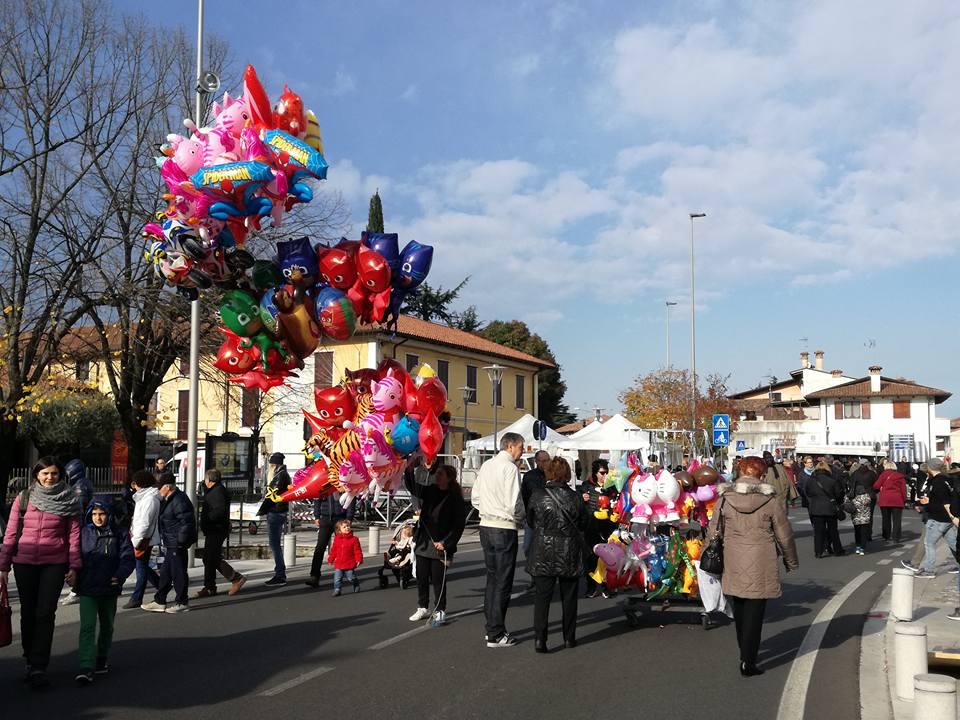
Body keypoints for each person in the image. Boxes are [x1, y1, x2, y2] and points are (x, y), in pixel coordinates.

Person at [707, 456, 798, 676]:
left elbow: (713, 530)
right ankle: (749, 660)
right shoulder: (770, 500)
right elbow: (784, 534)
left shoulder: (725, 498)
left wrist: (708, 554)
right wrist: (790, 560)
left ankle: (744, 651)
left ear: (740, 472)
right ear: (761, 474)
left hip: (733, 555)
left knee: (739, 605)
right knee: (755, 611)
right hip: (762, 557)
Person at [0, 457, 82, 689]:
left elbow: (73, 538)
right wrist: (3, 567)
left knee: (45, 613)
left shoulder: (70, 500)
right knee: (28, 613)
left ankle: (39, 665)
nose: (49, 477)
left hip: (53, 563)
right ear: (36, 475)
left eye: (54, 473)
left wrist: (74, 567)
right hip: (24, 563)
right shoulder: (24, 498)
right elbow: (10, 534)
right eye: (45, 473)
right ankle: (29, 657)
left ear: (60, 475)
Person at [526, 456, 588, 653]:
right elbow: (584, 523)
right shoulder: (575, 497)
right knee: (569, 598)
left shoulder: (538, 495)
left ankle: (540, 640)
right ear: (567, 474)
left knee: (542, 599)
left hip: (543, 549)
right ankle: (569, 637)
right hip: (568, 550)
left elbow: (529, 520)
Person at [472, 432, 526, 648]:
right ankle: (496, 631)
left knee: (492, 579)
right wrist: (520, 520)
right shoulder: (510, 468)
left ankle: (491, 627)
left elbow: (475, 496)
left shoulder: (486, 466)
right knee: (503, 582)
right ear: (511, 446)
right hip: (504, 527)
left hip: (486, 525)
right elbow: (515, 501)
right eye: (521, 447)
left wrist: (487, 509)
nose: (522, 451)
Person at [74, 498, 134, 685]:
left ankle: (102, 658)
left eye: (102, 514)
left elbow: (127, 558)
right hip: (88, 587)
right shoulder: (83, 533)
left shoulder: (120, 534)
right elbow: (74, 555)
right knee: (87, 627)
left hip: (109, 586)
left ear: (109, 514)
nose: (98, 518)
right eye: (94, 514)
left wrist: (120, 575)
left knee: (107, 625)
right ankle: (86, 665)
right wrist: (72, 572)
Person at [406, 463, 466, 626]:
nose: (437, 476)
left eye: (440, 474)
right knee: (421, 577)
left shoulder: (455, 498)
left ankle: (440, 609)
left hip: (441, 543)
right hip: (424, 540)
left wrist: (446, 543)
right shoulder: (431, 489)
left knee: (438, 580)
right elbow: (414, 487)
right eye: (437, 473)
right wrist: (408, 470)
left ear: (449, 478)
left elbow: (458, 525)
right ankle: (422, 606)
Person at [141, 474, 196, 613]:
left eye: (160, 488)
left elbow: (187, 522)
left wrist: (180, 541)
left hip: (176, 542)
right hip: (171, 541)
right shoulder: (168, 499)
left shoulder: (179, 499)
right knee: (166, 572)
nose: (159, 491)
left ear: (168, 486)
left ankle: (182, 601)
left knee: (178, 572)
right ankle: (160, 600)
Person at [197, 469, 245, 598]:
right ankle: (209, 586)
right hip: (213, 529)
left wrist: (207, 518)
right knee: (208, 558)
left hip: (216, 529)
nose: (204, 481)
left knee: (212, 557)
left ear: (210, 480)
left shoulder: (218, 492)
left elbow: (219, 511)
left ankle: (235, 578)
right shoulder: (214, 490)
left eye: (205, 479)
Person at [913, 458, 959, 578]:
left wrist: (927, 505)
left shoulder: (938, 482)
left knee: (929, 543)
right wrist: (929, 500)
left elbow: (945, 502)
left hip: (939, 518)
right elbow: (943, 498)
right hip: (946, 519)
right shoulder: (946, 479)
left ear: (930, 467)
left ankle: (929, 570)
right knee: (953, 543)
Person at [578, 459, 616, 598]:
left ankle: (607, 586)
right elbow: (577, 504)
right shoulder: (585, 486)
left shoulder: (612, 487)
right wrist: (581, 498)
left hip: (608, 527)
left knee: (608, 558)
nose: (604, 475)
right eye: (602, 473)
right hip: (591, 527)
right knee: (591, 558)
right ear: (595, 473)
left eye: (607, 472)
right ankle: (591, 586)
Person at [305, 481, 354, 589]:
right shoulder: (323, 480)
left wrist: (349, 517)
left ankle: (348, 572)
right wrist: (317, 515)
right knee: (319, 548)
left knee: (345, 547)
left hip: (341, 518)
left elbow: (350, 496)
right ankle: (314, 576)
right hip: (325, 518)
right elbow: (317, 497)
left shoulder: (342, 478)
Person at [60, 459, 94, 607]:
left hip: (79, 528)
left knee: (77, 559)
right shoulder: (81, 484)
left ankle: (76, 590)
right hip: (80, 528)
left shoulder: (80, 487)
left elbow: (78, 511)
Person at [125, 470, 161, 609]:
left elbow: (145, 523)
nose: (133, 486)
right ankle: (160, 585)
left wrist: (136, 540)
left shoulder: (149, 499)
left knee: (141, 567)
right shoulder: (146, 497)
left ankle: (136, 598)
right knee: (142, 566)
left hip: (144, 539)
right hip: (142, 537)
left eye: (135, 483)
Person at [257, 452, 291, 587]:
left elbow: (272, 495)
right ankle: (280, 573)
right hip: (279, 511)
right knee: (275, 544)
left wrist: (262, 509)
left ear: (273, 464)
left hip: (275, 511)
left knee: (275, 544)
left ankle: (280, 574)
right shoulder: (283, 474)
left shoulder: (279, 475)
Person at [521, 450, 550, 590]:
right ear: (537, 461)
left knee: (546, 550)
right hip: (532, 518)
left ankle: (543, 578)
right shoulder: (530, 476)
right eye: (543, 461)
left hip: (549, 519)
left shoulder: (553, 474)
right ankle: (534, 575)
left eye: (547, 460)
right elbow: (531, 494)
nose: (545, 463)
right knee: (528, 548)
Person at [804, 460, 845, 558]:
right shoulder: (832, 480)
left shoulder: (811, 480)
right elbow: (839, 494)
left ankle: (818, 551)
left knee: (818, 532)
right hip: (830, 508)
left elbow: (808, 492)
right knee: (833, 531)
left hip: (816, 508)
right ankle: (837, 550)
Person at [847, 461, 877, 555]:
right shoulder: (872, 473)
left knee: (857, 523)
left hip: (856, 497)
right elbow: (876, 485)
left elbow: (850, 484)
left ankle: (858, 545)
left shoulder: (855, 473)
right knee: (867, 518)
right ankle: (867, 537)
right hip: (869, 496)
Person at [327, 519, 363, 596]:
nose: (347, 528)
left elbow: (357, 550)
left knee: (351, 578)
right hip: (339, 563)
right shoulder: (337, 539)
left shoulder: (354, 539)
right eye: (344, 527)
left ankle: (356, 584)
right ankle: (337, 590)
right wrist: (331, 559)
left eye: (348, 526)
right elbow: (334, 550)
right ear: (339, 530)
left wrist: (359, 559)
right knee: (337, 578)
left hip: (349, 562)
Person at [874, 461, 907, 542]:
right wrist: (904, 500)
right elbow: (903, 490)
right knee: (897, 520)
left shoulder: (883, 475)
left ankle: (886, 536)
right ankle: (896, 537)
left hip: (885, 499)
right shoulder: (900, 476)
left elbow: (876, 486)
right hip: (897, 499)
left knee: (886, 519)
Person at [379, 524, 414, 589]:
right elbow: (399, 544)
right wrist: (395, 542)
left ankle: (393, 561)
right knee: (395, 552)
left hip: (406, 554)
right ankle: (389, 559)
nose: (402, 536)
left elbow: (411, 546)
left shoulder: (410, 539)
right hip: (399, 552)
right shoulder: (401, 540)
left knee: (399, 557)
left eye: (403, 534)